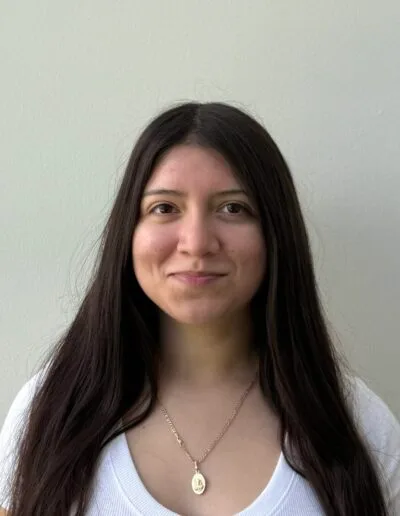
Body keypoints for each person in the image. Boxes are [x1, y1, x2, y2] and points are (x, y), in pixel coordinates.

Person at [0, 102, 399, 516]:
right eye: (164, 208)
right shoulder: (51, 412)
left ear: (275, 234)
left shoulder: (360, 426)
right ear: (128, 231)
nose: (196, 243)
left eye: (233, 208)